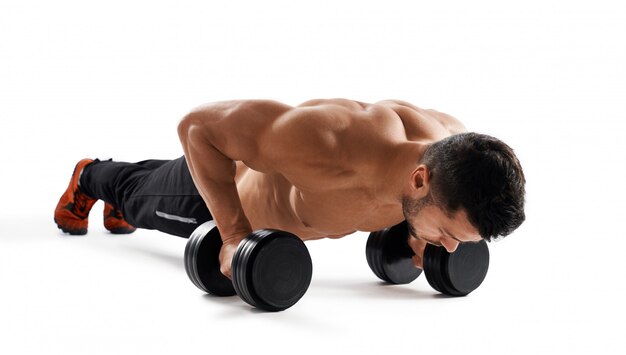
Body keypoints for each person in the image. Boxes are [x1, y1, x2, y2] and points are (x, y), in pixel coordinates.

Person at [54, 98, 526, 279]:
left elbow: (435, 208)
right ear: (418, 180)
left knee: (142, 186)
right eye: (446, 231)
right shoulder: (326, 142)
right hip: (222, 200)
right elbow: (197, 128)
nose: (447, 247)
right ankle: (91, 175)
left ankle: (122, 187)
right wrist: (236, 236)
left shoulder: (449, 153)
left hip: (279, 193)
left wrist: (421, 232)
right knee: (141, 197)